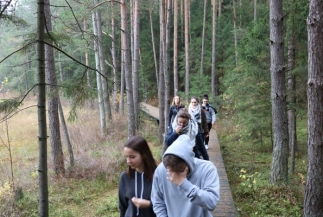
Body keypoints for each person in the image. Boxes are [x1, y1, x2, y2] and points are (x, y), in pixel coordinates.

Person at [151, 135, 220, 217]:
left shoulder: (207, 169)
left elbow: (211, 203)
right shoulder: (161, 170)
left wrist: (184, 183)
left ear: (188, 165)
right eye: (169, 171)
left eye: (177, 172)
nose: (172, 175)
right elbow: (157, 202)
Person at [118, 136, 157, 217]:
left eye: (132, 157)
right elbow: (122, 207)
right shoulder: (125, 177)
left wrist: (149, 204)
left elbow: (166, 205)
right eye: (126, 157)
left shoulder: (157, 176)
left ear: (143, 155)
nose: (128, 161)